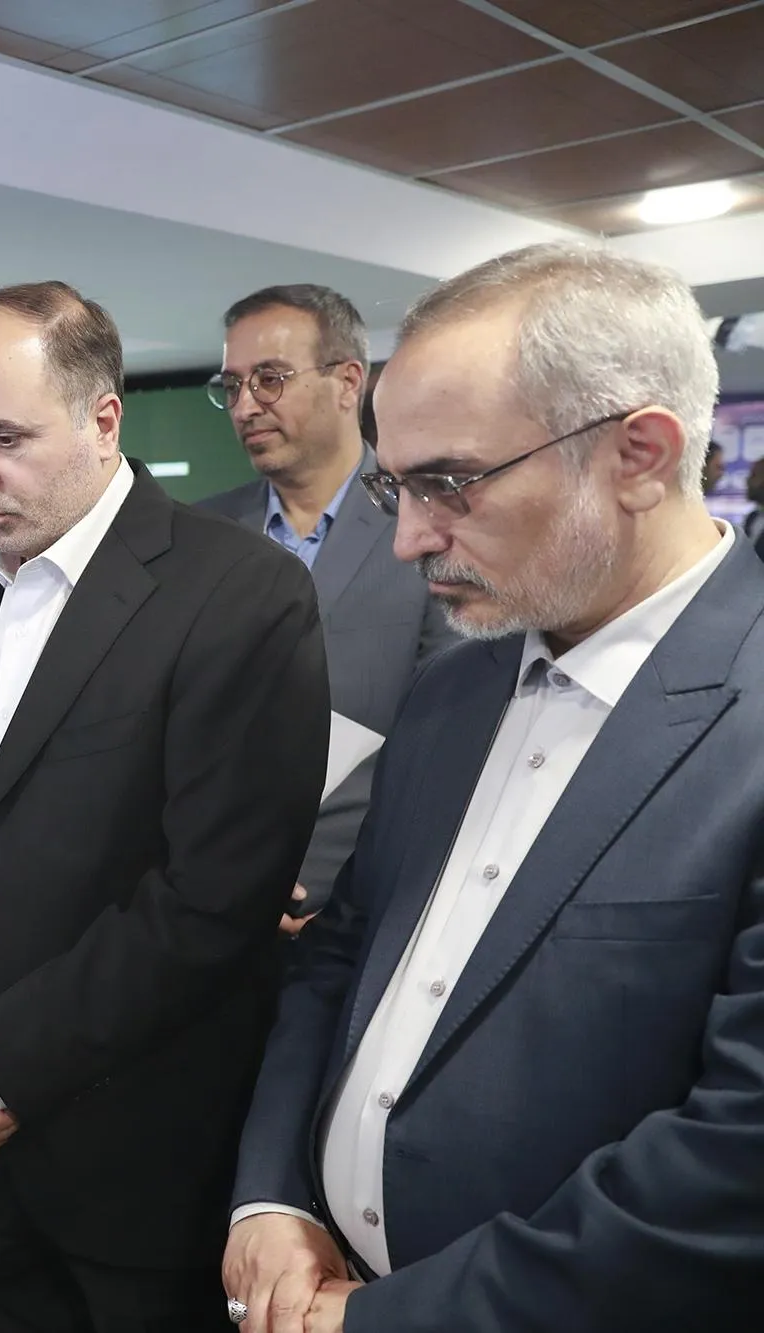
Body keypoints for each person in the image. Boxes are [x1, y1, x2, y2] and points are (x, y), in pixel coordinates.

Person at [225, 243, 764, 1333]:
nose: (408, 538)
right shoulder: (455, 686)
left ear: (639, 456)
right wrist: (272, 1190)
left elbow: (736, 1155)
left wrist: (391, 1319)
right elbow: (340, 950)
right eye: (395, 485)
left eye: (449, 483)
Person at [0, 282, 328, 1331]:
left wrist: (3, 1062)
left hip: (139, 1158)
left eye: (4, 438)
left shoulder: (240, 595)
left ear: (102, 419)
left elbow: (213, 896)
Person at [198, 285, 456, 934]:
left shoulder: (428, 527)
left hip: (361, 911)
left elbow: (451, 744)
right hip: (204, 907)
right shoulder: (200, 536)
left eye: (270, 379)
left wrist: (351, 899)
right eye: (232, 385)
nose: (245, 405)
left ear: (348, 383)